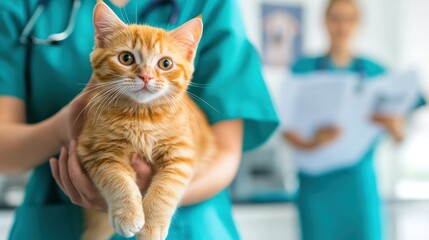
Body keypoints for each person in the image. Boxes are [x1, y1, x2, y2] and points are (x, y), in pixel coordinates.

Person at [0, 0, 278, 239]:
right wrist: (64, 127)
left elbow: (226, 152)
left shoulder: (212, 5)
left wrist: (154, 200)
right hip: (58, 219)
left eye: (164, 63)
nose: (146, 76)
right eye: (127, 58)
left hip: (190, 220)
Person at [284, 0, 424, 239]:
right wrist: (313, 142)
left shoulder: (376, 72)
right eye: (336, 18)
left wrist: (395, 127)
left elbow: (401, 136)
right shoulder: (303, 69)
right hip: (316, 186)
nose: (342, 26)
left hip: (358, 184)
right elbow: (287, 128)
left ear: (358, 24)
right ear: (325, 22)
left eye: (349, 19)